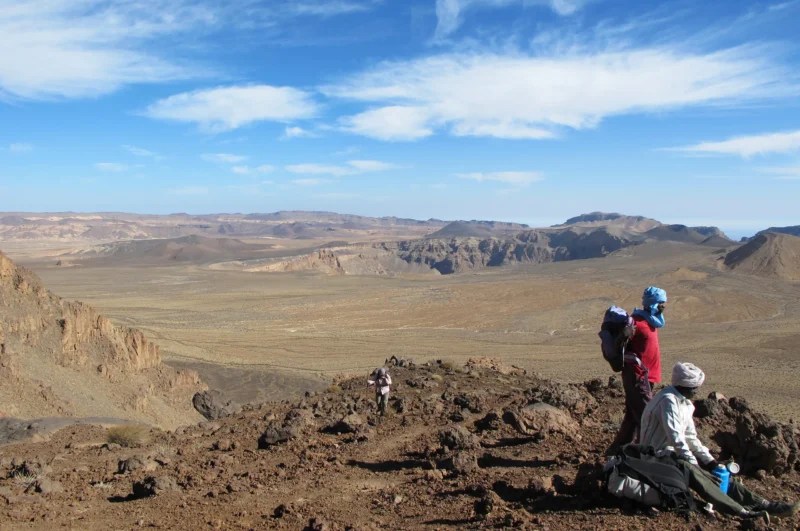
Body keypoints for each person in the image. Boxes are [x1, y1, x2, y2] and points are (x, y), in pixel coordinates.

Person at [640, 362, 800, 521]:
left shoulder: (685, 404)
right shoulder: (668, 401)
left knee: (721, 472)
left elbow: (691, 438)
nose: (697, 391)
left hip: (674, 455)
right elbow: (677, 439)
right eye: (694, 388)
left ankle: (764, 505)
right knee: (697, 473)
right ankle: (741, 512)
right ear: (684, 385)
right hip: (656, 456)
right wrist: (697, 467)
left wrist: (710, 462)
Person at [609, 286, 667, 454]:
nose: (664, 306)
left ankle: (617, 451)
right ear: (653, 303)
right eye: (661, 303)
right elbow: (619, 345)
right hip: (637, 375)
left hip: (647, 375)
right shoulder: (638, 323)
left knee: (632, 416)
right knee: (647, 416)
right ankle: (644, 453)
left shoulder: (650, 320)